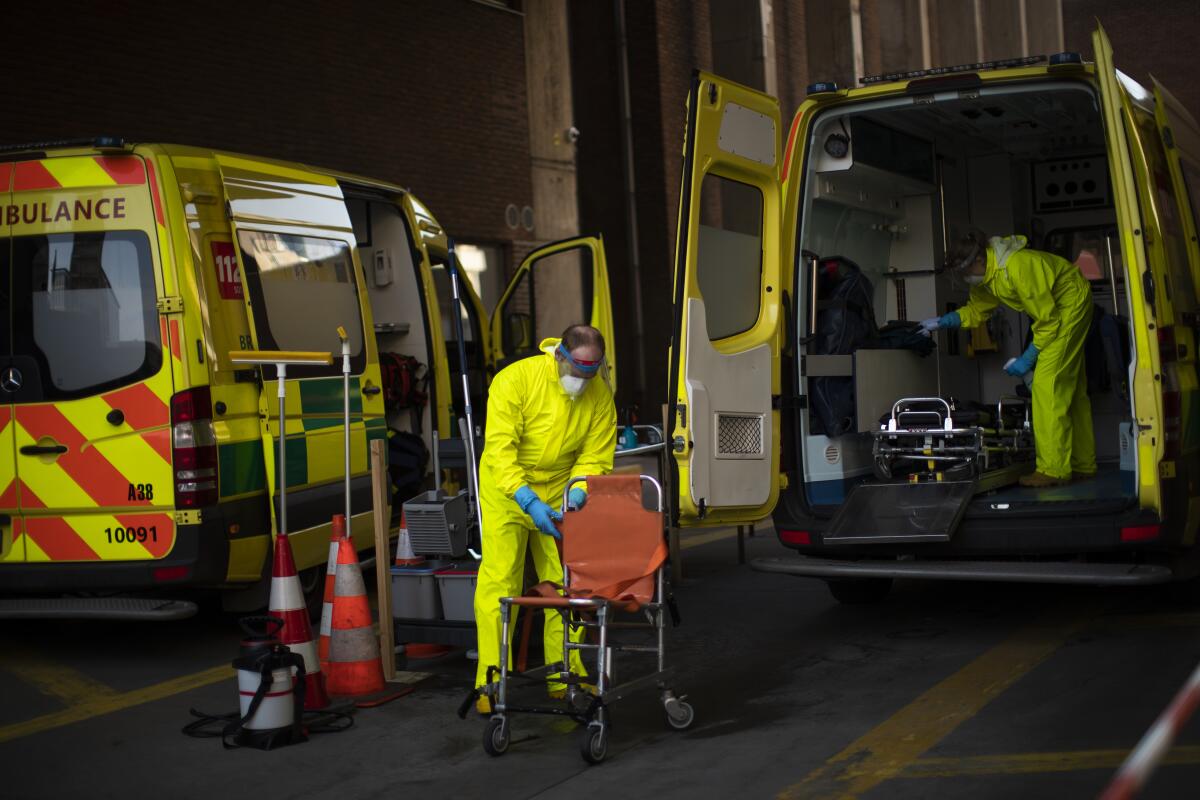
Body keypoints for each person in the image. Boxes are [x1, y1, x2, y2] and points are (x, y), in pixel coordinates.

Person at [473, 324, 617, 712]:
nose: (582, 382)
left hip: (558, 494)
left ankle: (564, 675)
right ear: (558, 356)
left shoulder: (600, 395)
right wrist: (526, 499)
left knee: (565, 585)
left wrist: (579, 491)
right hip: (507, 492)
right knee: (500, 583)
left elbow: (595, 455)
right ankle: (491, 680)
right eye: (577, 373)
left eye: (591, 374)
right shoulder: (514, 381)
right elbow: (501, 450)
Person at [922, 230, 1096, 487]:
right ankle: (1083, 464)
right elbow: (977, 310)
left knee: (1047, 387)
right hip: (1058, 308)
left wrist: (1028, 358)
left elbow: (1049, 321)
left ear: (978, 260)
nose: (965, 278)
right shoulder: (987, 277)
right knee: (1070, 388)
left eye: (964, 271)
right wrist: (944, 322)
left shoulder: (1016, 268)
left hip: (1070, 304)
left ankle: (1053, 470)